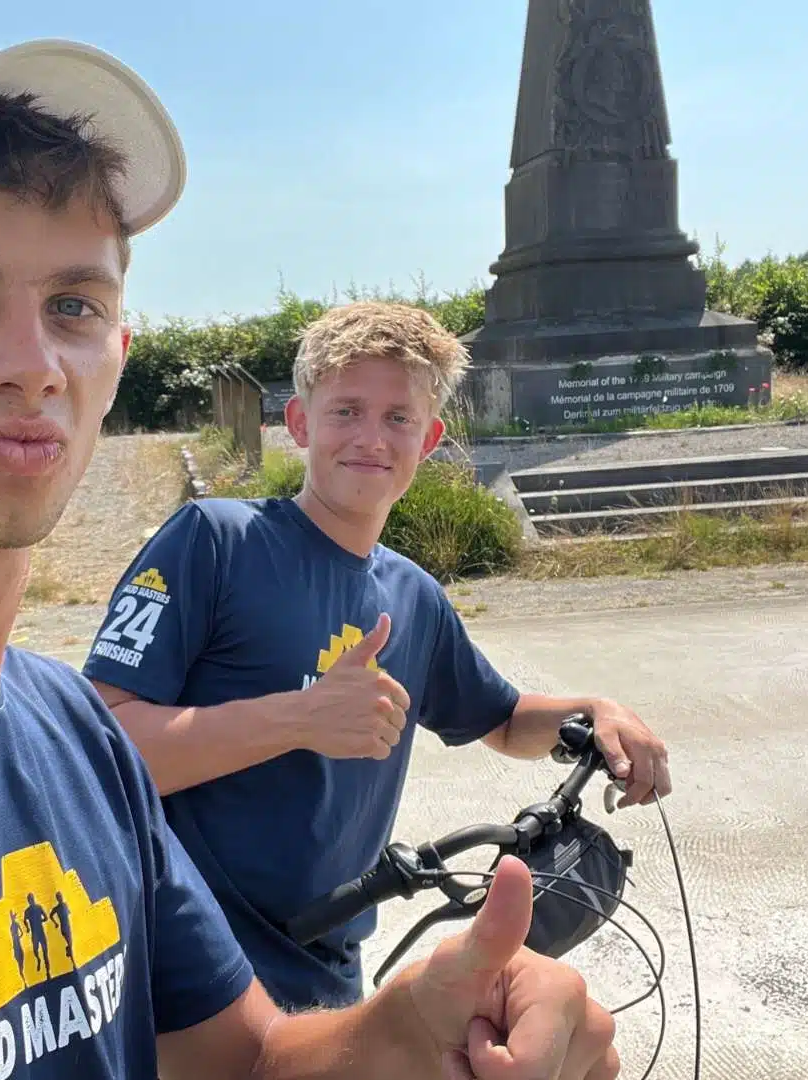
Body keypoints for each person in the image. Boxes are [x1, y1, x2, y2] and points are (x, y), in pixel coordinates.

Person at [0, 36, 621, 1080]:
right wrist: (300, 718)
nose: (32, 366)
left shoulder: (72, 737)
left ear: (117, 354)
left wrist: (399, 1038)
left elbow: (249, 1058)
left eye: (74, 304)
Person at [83, 300, 674, 1012]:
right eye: (346, 411)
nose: (371, 437)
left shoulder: (413, 596)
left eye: (399, 418)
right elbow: (102, 753)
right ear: (299, 424)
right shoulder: (216, 541)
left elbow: (506, 720)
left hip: (328, 965)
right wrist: (300, 718)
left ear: (429, 439)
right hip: (183, 969)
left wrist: (597, 712)